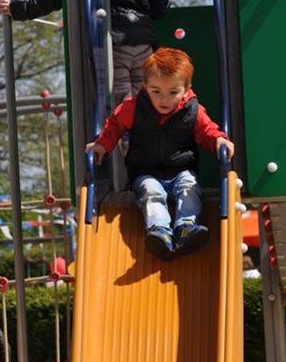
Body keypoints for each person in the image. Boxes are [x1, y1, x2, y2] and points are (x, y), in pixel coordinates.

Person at [86, 47, 235, 260]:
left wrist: (219, 139)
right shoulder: (134, 108)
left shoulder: (193, 110)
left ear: (186, 89)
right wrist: (101, 145)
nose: (164, 99)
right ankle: (160, 232)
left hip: (182, 169)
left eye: (173, 92)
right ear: (145, 87)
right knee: (151, 192)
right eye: (156, 91)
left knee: (190, 189)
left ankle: (185, 228)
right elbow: (114, 126)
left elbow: (207, 131)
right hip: (145, 172)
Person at [0, 0, 170, 104]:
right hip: (144, 45)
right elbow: (161, 6)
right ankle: (143, 133)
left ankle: (123, 133)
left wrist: (21, 8)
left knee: (120, 97)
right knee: (145, 95)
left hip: (113, 42)